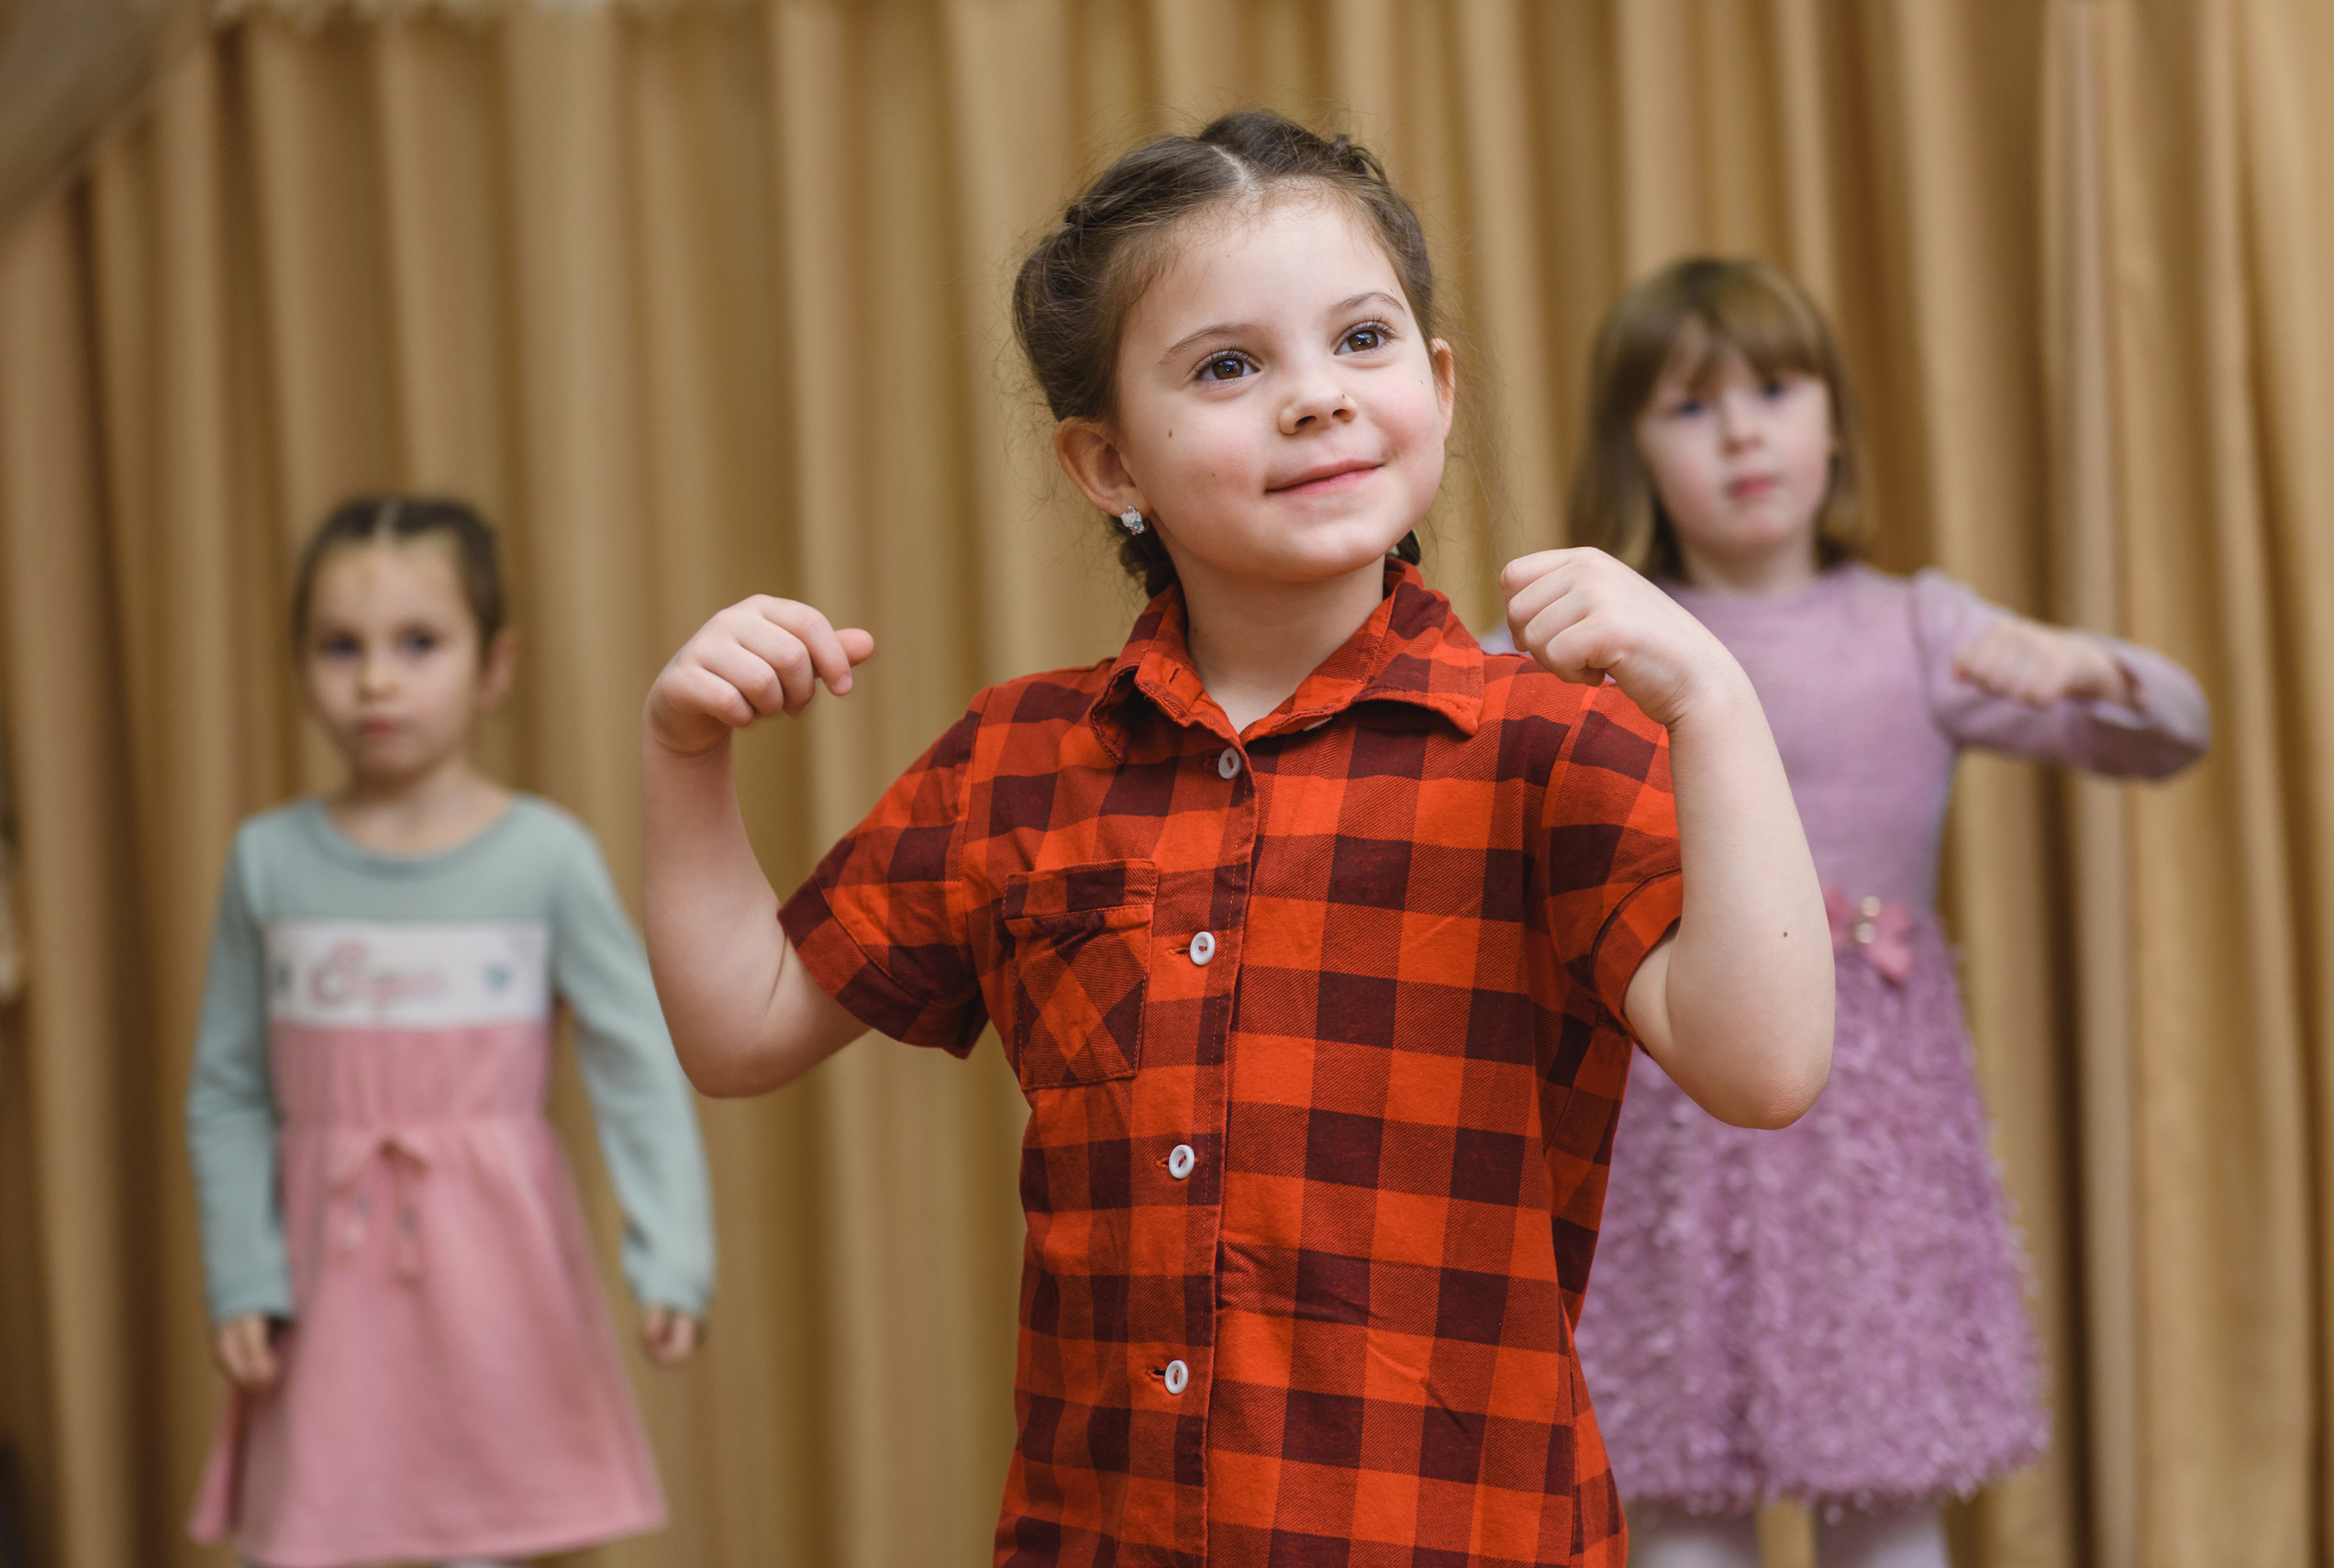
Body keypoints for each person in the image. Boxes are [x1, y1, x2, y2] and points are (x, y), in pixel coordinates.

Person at [640, 112, 1832, 1567]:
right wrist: (687, 757)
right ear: (1106, 464)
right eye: (1228, 365)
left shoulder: (1550, 741)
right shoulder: (1018, 758)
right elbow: (741, 1029)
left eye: (1362, 341)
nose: (1316, 400)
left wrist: (1714, 699)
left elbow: (1766, 1067)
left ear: (1440, 390)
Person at [1563, 258, 2209, 1568]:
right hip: (1673, 1111)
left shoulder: (1915, 626)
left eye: (1775, 390)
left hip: (1878, 1128)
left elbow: (2171, 734)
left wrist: (2092, 664)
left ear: (1834, 423)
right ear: (1631, 449)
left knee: (1887, 1492)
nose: (1743, 430)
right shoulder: (1619, 641)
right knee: (1683, 1491)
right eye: (1690, 406)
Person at [185, 495, 716, 1568]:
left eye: (416, 642)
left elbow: (633, 1061)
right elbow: (227, 1087)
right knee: (323, 1526)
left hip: (500, 1286)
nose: (376, 679)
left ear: (492, 665)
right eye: (341, 646)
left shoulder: (546, 857)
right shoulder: (266, 862)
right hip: (323, 1301)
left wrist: (673, 1249)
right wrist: (242, 1271)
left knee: (506, 1532)